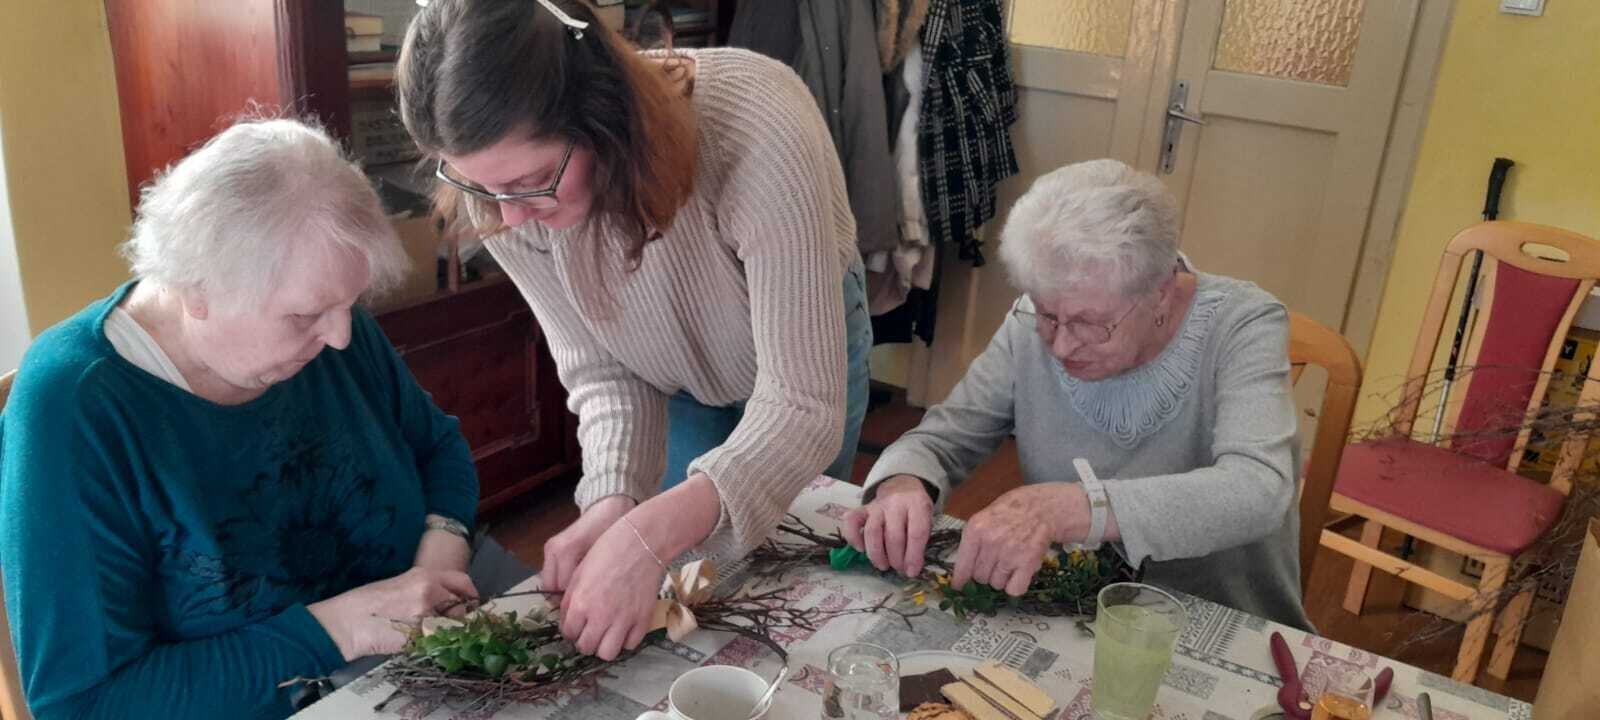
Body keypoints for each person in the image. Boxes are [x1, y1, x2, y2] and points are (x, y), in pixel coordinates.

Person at [0, 118, 523, 719]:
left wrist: (440, 556)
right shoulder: (74, 407)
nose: (340, 337)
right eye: (305, 316)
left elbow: (437, 448)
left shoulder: (328, 318)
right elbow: (82, 703)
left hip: (432, 635)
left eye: (350, 304)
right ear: (195, 289)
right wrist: (341, 628)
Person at [396, 0, 871, 660]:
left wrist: (650, 536)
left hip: (798, 360)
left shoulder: (758, 119)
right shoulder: (504, 199)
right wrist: (613, 504)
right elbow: (604, 370)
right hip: (667, 369)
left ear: (603, 113)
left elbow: (802, 407)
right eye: (483, 188)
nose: (511, 217)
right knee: (685, 584)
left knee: (778, 565)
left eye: (533, 181)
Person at [844, 160, 1312, 629]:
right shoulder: (1032, 320)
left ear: (1162, 292)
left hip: (1218, 620)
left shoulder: (1243, 324)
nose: (1062, 346)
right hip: (1071, 609)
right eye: (1048, 316)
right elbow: (942, 440)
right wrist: (904, 482)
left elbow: (1258, 488)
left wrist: (1079, 507)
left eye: (1091, 324)